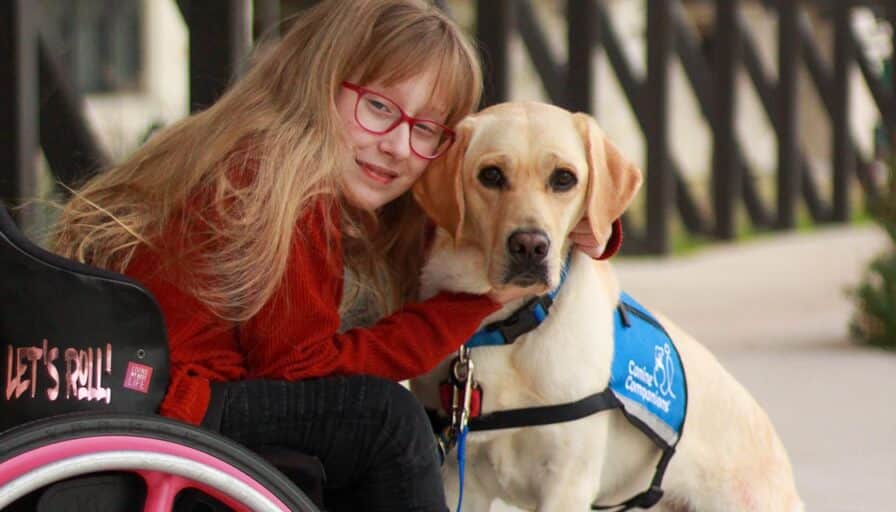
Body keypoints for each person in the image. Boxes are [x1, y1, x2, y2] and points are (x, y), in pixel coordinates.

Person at [52, 0, 621, 509]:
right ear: (321, 81)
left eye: (426, 128)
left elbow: (444, 226)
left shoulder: (260, 148)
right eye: (378, 107)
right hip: (174, 405)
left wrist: (589, 227)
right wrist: (476, 302)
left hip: (158, 390)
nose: (398, 144)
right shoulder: (275, 185)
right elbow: (303, 371)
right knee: (381, 419)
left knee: (358, 421)